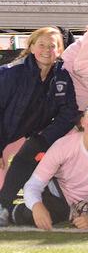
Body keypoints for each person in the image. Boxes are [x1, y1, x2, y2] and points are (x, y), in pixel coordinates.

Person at [7, 99, 88, 229]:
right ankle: (9, 210)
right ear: (82, 122)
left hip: (85, 204)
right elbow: (33, 184)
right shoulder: (64, 145)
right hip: (56, 193)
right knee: (31, 214)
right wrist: (36, 206)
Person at [0, 27, 79, 225]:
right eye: (41, 45)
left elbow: (69, 112)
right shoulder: (12, 74)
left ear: (60, 50)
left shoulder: (62, 76)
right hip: (4, 131)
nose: (46, 50)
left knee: (31, 151)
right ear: (32, 47)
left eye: (52, 46)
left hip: (29, 134)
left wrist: (45, 136)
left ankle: (3, 206)